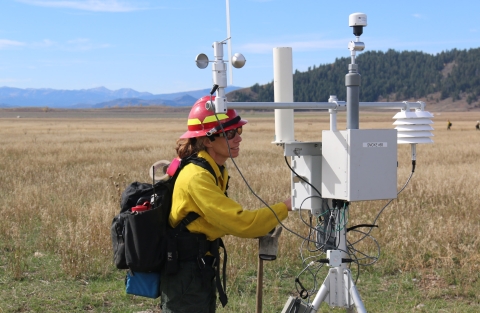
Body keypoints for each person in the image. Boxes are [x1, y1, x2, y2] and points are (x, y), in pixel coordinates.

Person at [160, 95, 292, 313]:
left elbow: (223, 219)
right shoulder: (197, 177)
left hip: (198, 266)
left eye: (238, 131)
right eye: (230, 133)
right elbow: (240, 222)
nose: (238, 138)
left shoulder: (215, 169)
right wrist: (285, 207)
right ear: (208, 139)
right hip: (185, 273)